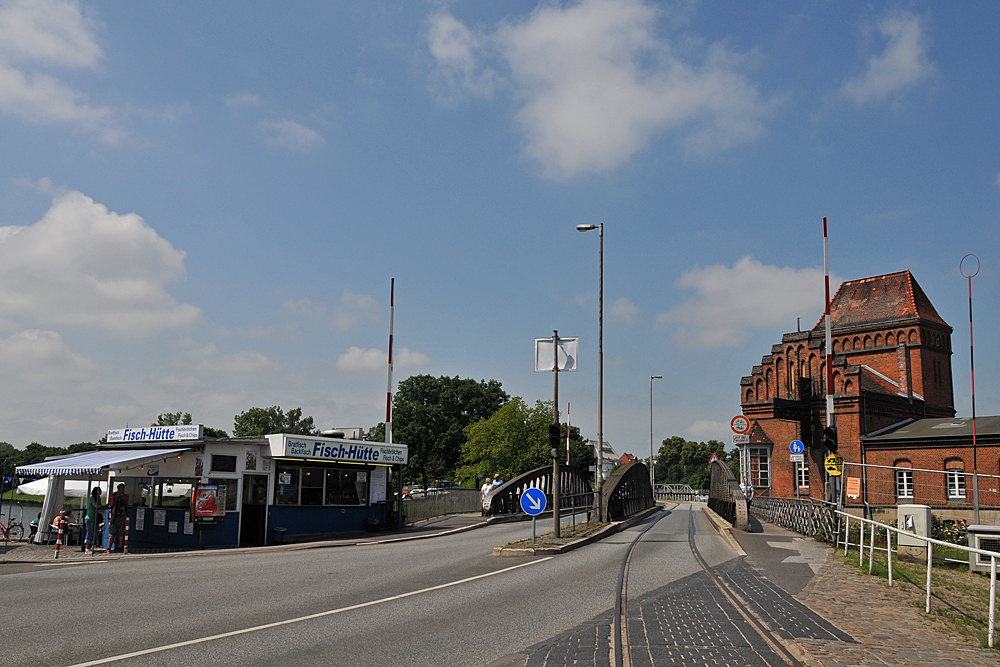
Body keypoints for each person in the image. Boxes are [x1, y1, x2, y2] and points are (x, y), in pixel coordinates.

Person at [106, 483, 129, 553]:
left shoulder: (112, 495)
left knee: (111, 533)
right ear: (123, 488)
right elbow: (126, 504)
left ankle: (109, 548)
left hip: (114, 516)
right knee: (121, 533)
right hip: (122, 516)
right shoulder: (125, 496)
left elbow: (111, 504)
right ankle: (120, 547)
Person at [84, 487, 103, 555]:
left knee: (96, 533)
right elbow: (96, 506)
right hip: (90, 517)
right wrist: (102, 505)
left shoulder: (99, 498)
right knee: (89, 532)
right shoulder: (92, 498)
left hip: (95, 518)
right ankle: (87, 548)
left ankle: (90, 546)